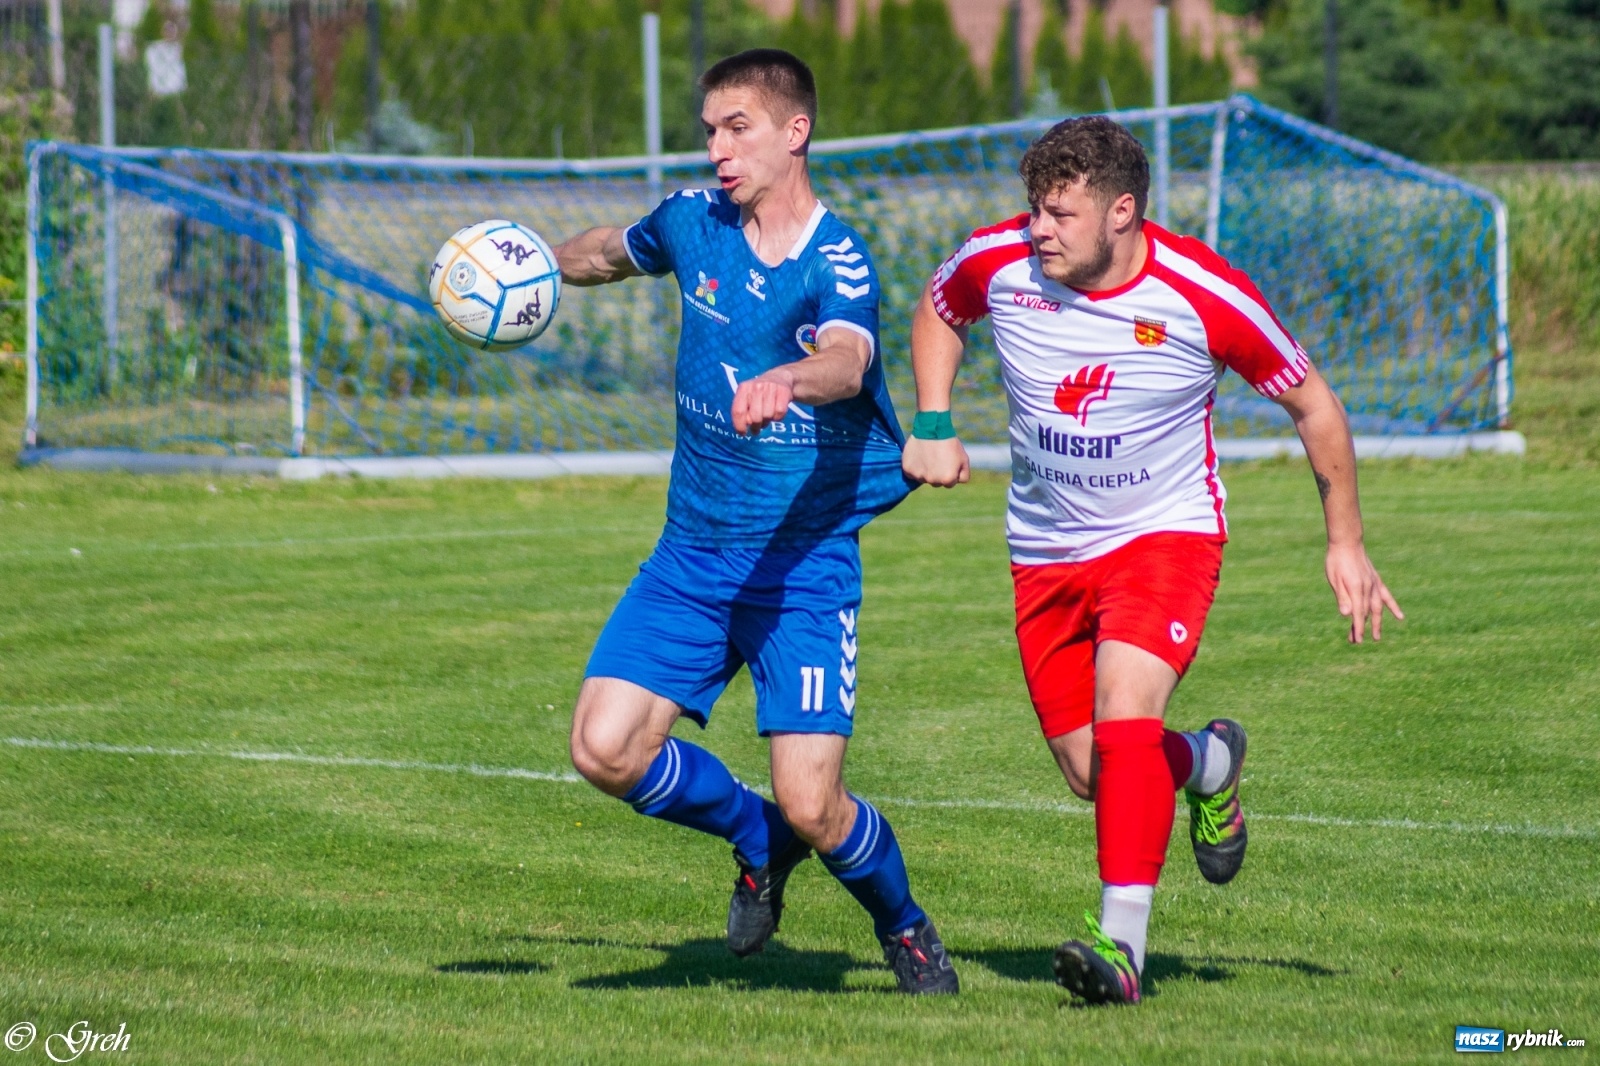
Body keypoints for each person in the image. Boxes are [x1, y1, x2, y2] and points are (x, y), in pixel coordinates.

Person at [902, 116, 1401, 1005]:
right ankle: (1208, 763)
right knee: (1095, 774)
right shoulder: (999, 261)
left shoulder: (1204, 294)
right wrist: (934, 419)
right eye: (1034, 209)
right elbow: (941, 307)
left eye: (1060, 214)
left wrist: (1346, 542)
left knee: (1126, 714)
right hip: (1043, 551)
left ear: (1122, 211)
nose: (1039, 229)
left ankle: (1121, 948)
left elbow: (1315, 407)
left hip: (1164, 538)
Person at [553, 48, 958, 995]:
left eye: (738, 129)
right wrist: (524, 264)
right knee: (602, 749)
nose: (718, 150)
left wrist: (789, 378)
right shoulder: (693, 222)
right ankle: (754, 835)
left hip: (802, 566)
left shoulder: (835, 257)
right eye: (710, 131)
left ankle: (902, 924)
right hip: (691, 552)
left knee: (815, 804)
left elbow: (849, 360)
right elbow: (607, 253)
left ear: (795, 131)